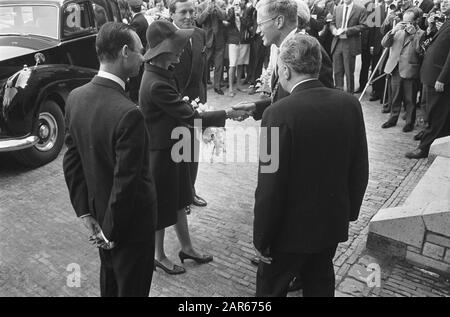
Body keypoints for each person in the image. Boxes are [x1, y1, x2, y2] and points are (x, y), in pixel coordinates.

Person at [253, 33, 369, 297]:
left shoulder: (277, 113)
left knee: (271, 290)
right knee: (320, 284)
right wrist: (347, 213)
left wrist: (262, 237)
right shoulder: (349, 104)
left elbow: (270, 184)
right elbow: (359, 166)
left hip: (287, 233)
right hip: (330, 223)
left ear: (285, 69)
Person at [139, 20, 248, 274]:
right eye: (176, 46)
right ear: (163, 50)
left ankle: (186, 247)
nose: (180, 50)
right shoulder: (157, 82)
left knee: (178, 199)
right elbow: (189, 116)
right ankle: (158, 255)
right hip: (161, 153)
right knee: (163, 204)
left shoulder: (161, 73)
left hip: (171, 148)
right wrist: (228, 114)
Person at [63, 22, 157, 297]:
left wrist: (85, 211)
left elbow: (72, 160)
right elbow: (127, 181)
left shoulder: (75, 98)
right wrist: (111, 232)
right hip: (129, 227)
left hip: (100, 214)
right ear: (125, 52)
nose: (143, 57)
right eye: (141, 51)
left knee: (110, 285)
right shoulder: (129, 113)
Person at [233, 0, 334, 123]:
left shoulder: (309, 52)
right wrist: (256, 107)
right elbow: (287, 99)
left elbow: (319, 106)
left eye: (260, 24)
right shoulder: (278, 47)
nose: (258, 31)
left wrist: (273, 136)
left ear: (279, 21)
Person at [170, 0, 209, 210]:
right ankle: (179, 197)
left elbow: (203, 71)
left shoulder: (200, 34)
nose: (188, 16)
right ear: (172, 14)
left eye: (192, 11)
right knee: (178, 154)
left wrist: (203, 101)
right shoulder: (165, 36)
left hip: (196, 104)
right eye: (183, 12)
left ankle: (190, 191)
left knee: (193, 152)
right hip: (173, 105)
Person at [406, 0, 450, 158]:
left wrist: (442, 78)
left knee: (434, 114)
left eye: (447, 2)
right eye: (443, 1)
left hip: (438, 78)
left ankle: (423, 148)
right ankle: (434, 141)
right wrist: (430, 29)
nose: (444, 4)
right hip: (429, 75)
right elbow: (429, 44)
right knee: (433, 111)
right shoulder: (445, 21)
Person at [380, 9, 424, 132]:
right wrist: (392, 31)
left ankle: (410, 122)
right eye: (403, 22)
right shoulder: (397, 31)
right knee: (395, 97)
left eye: (408, 22)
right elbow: (384, 44)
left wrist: (414, 35)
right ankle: (392, 119)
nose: (405, 25)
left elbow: (420, 51)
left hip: (410, 69)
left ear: (416, 21)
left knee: (410, 99)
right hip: (395, 68)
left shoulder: (421, 33)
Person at [330, 0, 368, 93]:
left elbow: (364, 25)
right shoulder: (337, 8)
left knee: (349, 72)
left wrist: (347, 30)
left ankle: (350, 94)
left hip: (350, 43)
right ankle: (338, 93)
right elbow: (332, 23)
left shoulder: (360, 9)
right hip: (337, 42)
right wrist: (334, 30)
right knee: (337, 71)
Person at [196, 0, 228, 95]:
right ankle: (202, 84)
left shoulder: (221, 3)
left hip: (219, 39)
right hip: (207, 39)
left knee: (219, 64)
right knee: (204, 63)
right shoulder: (201, 6)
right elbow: (199, 20)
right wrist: (207, 10)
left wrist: (216, 7)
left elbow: (224, 16)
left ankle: (217, 86)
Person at [128, 0, 149, 102]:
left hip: (139, 53)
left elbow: (133, 40)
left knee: (137, 79)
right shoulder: (141, 18)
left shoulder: (136, 21)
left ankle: (135, 98)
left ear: (130, 8)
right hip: (143, 51)